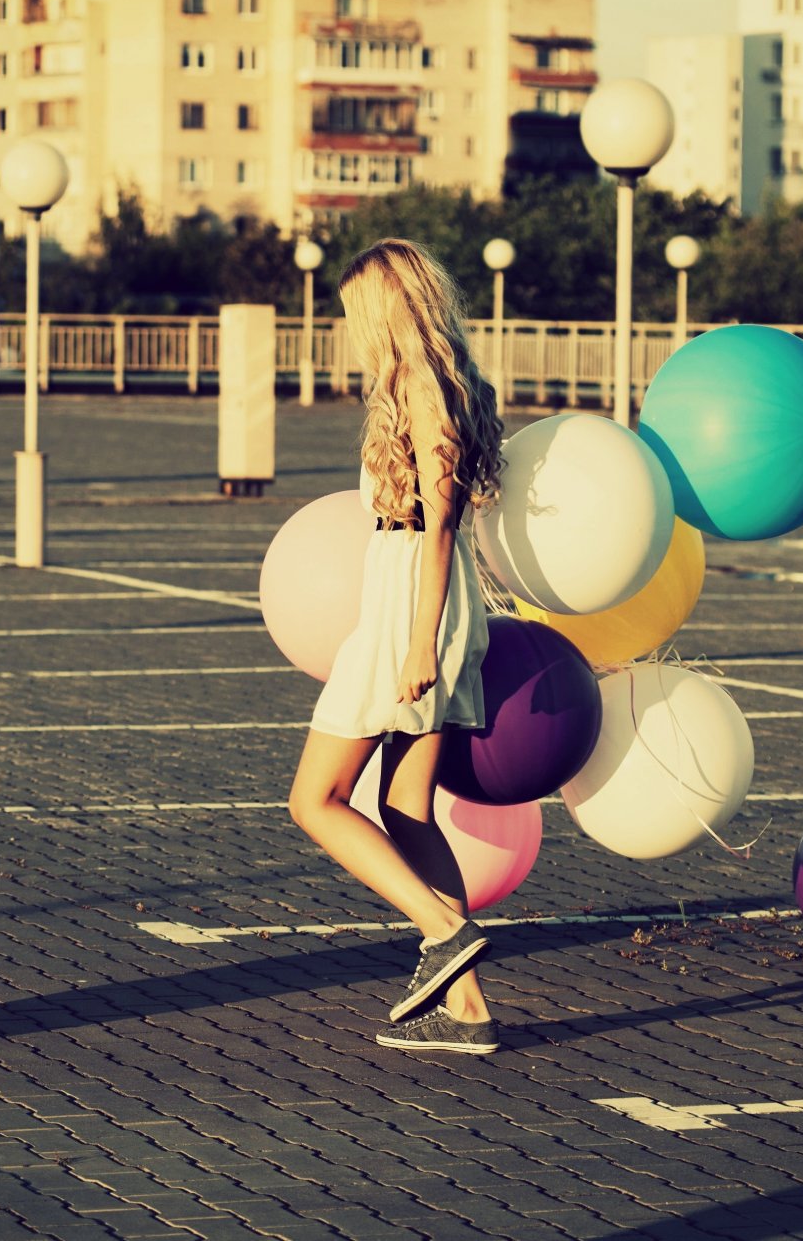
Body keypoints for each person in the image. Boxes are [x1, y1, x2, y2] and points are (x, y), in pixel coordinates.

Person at [287, 238, 506, 1055]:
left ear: (385, 308)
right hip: (431, 599)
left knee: (314, 801)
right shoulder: (444, 380)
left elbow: (440, 523)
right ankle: (469, 1010)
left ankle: (442, 929)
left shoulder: (420, 384)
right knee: (404, 808)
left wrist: (418, 642)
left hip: (414, 601)